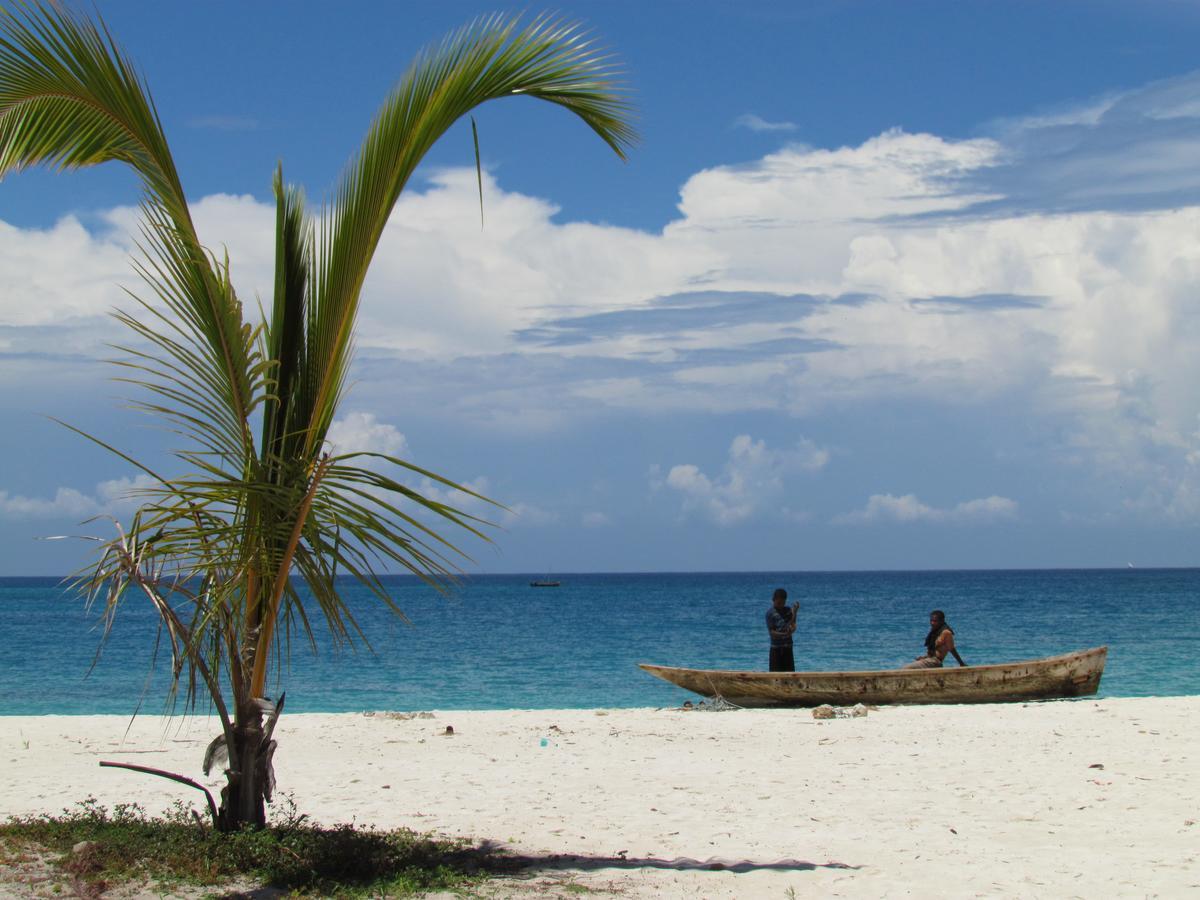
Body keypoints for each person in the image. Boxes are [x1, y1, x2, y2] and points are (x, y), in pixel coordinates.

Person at [902, 609, 967, 669]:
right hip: (929, 660)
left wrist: (961, 663)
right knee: (906, 667)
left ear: (942, 621)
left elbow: (952, 649)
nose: (932, 623)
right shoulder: (934, 631)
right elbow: (933, 651)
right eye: (931, 621)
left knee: (906, 668)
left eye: (935, 621)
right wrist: (924, 657)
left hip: (935, 662)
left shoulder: (946, 632)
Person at [765, 588, 799, 672]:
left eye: (783, 603)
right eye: (779, 603)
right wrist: (784, 634)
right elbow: (771, 632)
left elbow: (793, 624)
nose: (781, 605)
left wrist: (795, 612)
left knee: (789, 675)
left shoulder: (788, 610)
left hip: (788, 648)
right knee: (775, 676)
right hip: (776, 649)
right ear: (773, 600)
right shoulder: (770, 613)